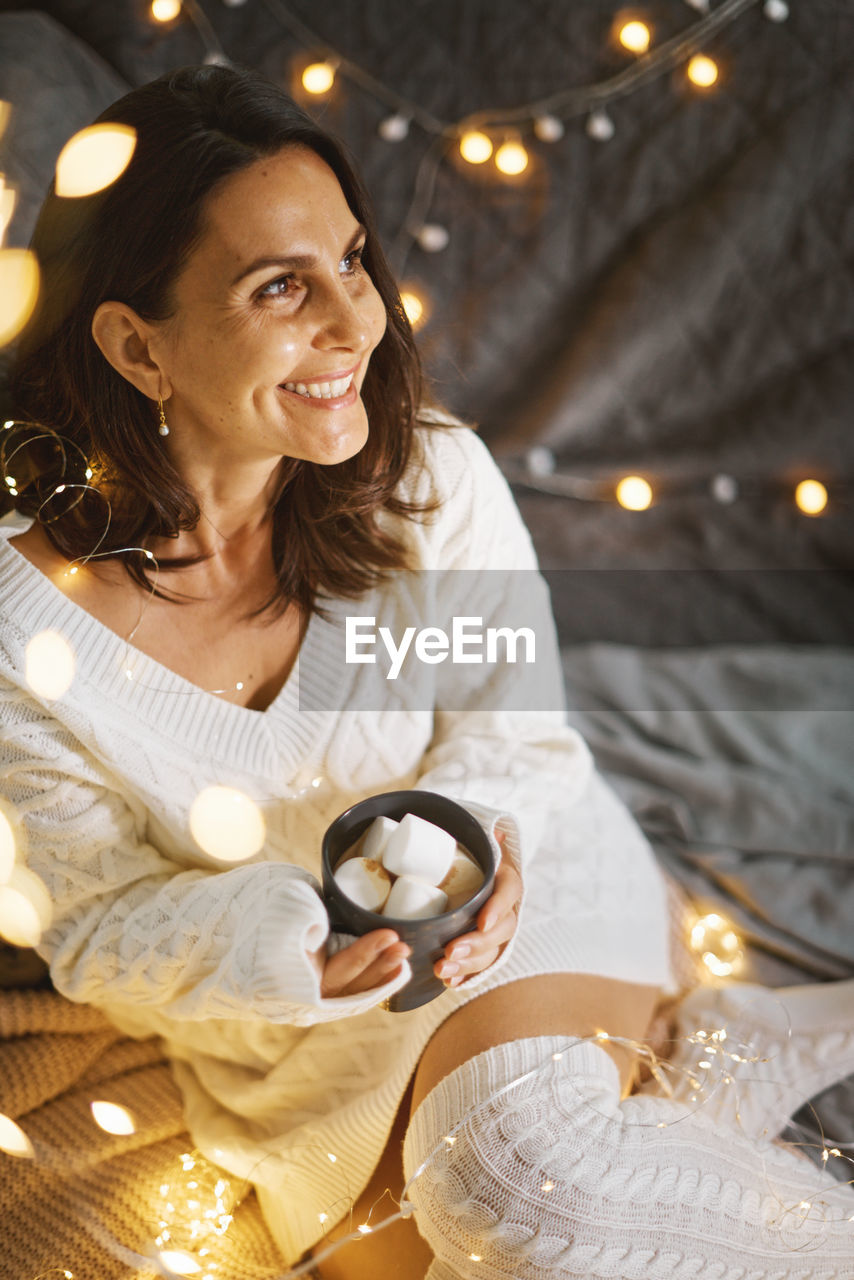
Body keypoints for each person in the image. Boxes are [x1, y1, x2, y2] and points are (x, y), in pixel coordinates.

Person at [1, 65, 853, 1279]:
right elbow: (92, 927)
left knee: (514, 1188)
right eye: (282, 285)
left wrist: (485, 847)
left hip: (523, 890)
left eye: (351, 260)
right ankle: (724, 1047)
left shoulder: (424, 482)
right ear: (140, 345)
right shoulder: (21, 633)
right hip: (289, 1031)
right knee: (492, 1249)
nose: (357, 325)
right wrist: (282, 937)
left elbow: (518, 737)